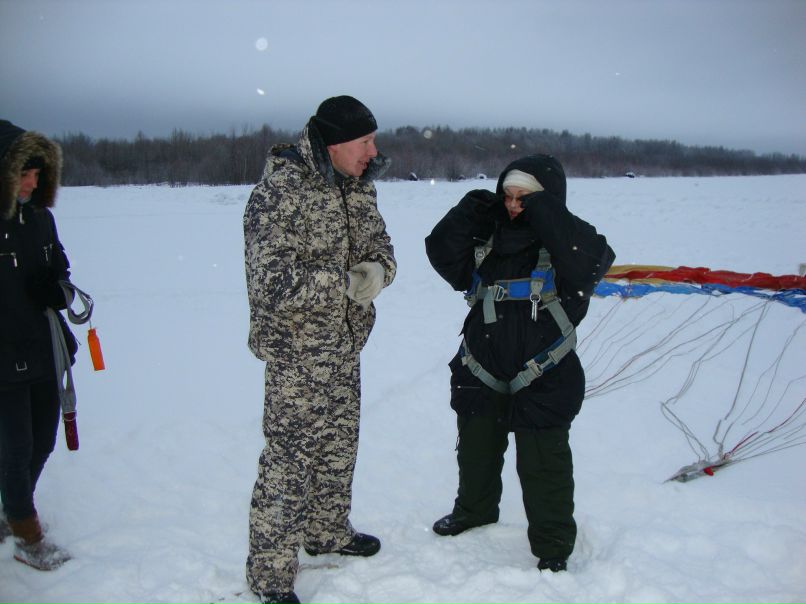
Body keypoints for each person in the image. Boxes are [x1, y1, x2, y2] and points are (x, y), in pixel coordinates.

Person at [424, 154, 614, 573]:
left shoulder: (568, 248)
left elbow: (592, 261)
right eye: (507, 196)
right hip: (481, 363)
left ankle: (552, 544)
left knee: (543, 462)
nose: (513, 206)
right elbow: (441, 254)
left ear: (548, 201)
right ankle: (474, 511)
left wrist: (547, 213)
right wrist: (467, 213)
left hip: (545, 370)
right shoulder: (488, 241)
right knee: (475, 448)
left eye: (524, 199)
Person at [242, 96, 396, 604]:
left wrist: (379, 272)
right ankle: (269, 577)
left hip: (345, 345)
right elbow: (272, 282)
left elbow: (381, 248)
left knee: (338, 447)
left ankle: (327, 531)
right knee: (289, 462)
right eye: (365, 141)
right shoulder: (281, 191)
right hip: (297, 355)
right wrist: (345, 282)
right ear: (334, 144)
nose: (373, 151)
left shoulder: (357, 186)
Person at [0, 119, 75, 570]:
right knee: (16, 447)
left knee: (44, 441)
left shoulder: (41, 218)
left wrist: (56, 289)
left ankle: (12, 506)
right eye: (23, 174)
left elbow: (61, 267)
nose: (31, 183)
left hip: (43, 349)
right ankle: (26, 534)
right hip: (4, 357)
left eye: (36, 174)